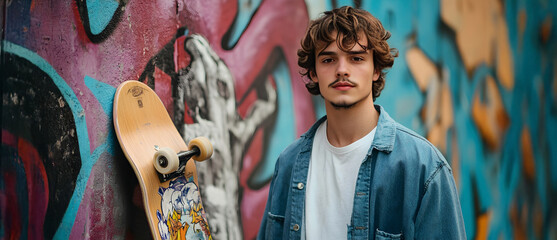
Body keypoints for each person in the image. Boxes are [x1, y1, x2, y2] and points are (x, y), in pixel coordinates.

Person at [257, 6, 466, 240]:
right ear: (314, 72)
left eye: (356, 58)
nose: (342, 70)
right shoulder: (289, 164)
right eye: (328, 59)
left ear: (376, 69)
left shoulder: (422, 166)